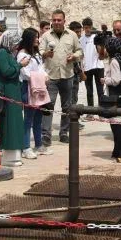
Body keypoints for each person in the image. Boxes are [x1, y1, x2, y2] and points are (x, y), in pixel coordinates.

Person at [39, 10, 83, 145]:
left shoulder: (72, 35)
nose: (56, 22)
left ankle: (64, 132)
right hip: (50, 76)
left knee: (67, 106)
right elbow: (40, 52)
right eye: (54, 20)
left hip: (67, 75)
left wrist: (74, 56)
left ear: (64, 21)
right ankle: (46, 134)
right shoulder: (46, 36)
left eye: (59, 20)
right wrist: (46, 53)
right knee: (48, 106)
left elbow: (80, 51)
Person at [0, 30, 25, 166]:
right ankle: (9, 156)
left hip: (13, 92)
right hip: (7, 93)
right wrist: (20, 65)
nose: (16, 46)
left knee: (15, 123)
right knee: (10, 124)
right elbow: (6, 71)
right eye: (15, 43)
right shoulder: (1, 54)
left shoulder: (7, 54)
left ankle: (15, 154)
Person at [101, 34, 121, 162]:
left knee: (116, 126)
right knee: (119, 125)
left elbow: (116, 80)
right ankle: (117, 151)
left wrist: (105, 80)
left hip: (117, 98)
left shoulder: (114, 61)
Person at [17, 28, 48, 158]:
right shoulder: (22, 55)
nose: (37, 39)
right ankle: (26, 147)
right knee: (28, 119)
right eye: (35, 37)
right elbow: (26, 73)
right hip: (28, 88)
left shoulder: (35, 54)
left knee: (38, 118)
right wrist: (41, 77)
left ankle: (39, 144)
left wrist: (45, 76)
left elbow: (41, 68)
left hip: (38, 87)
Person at [80, 18, 104, 116]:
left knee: (100, 90)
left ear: (91, 26)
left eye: (89, 27)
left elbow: (100, 51)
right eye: (85, 28)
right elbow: (81, 55)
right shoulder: (81, 40)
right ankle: (90, 112)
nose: (87, 30)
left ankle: (101, 110)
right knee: (89, 91)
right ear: (83, 28)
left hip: (98, 66)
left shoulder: (97, 37)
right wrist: (82, 69)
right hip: (87, 68)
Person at [68, 21, 86, 108]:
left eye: (80, 31)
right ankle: (70, 120)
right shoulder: (69, 43)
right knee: (71, 99)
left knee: (74, 97)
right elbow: (73, 61)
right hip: (71, 74)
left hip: (76, 74)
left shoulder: (78, 42)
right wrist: (81, 73)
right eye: (76, 32)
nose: (79, 34)